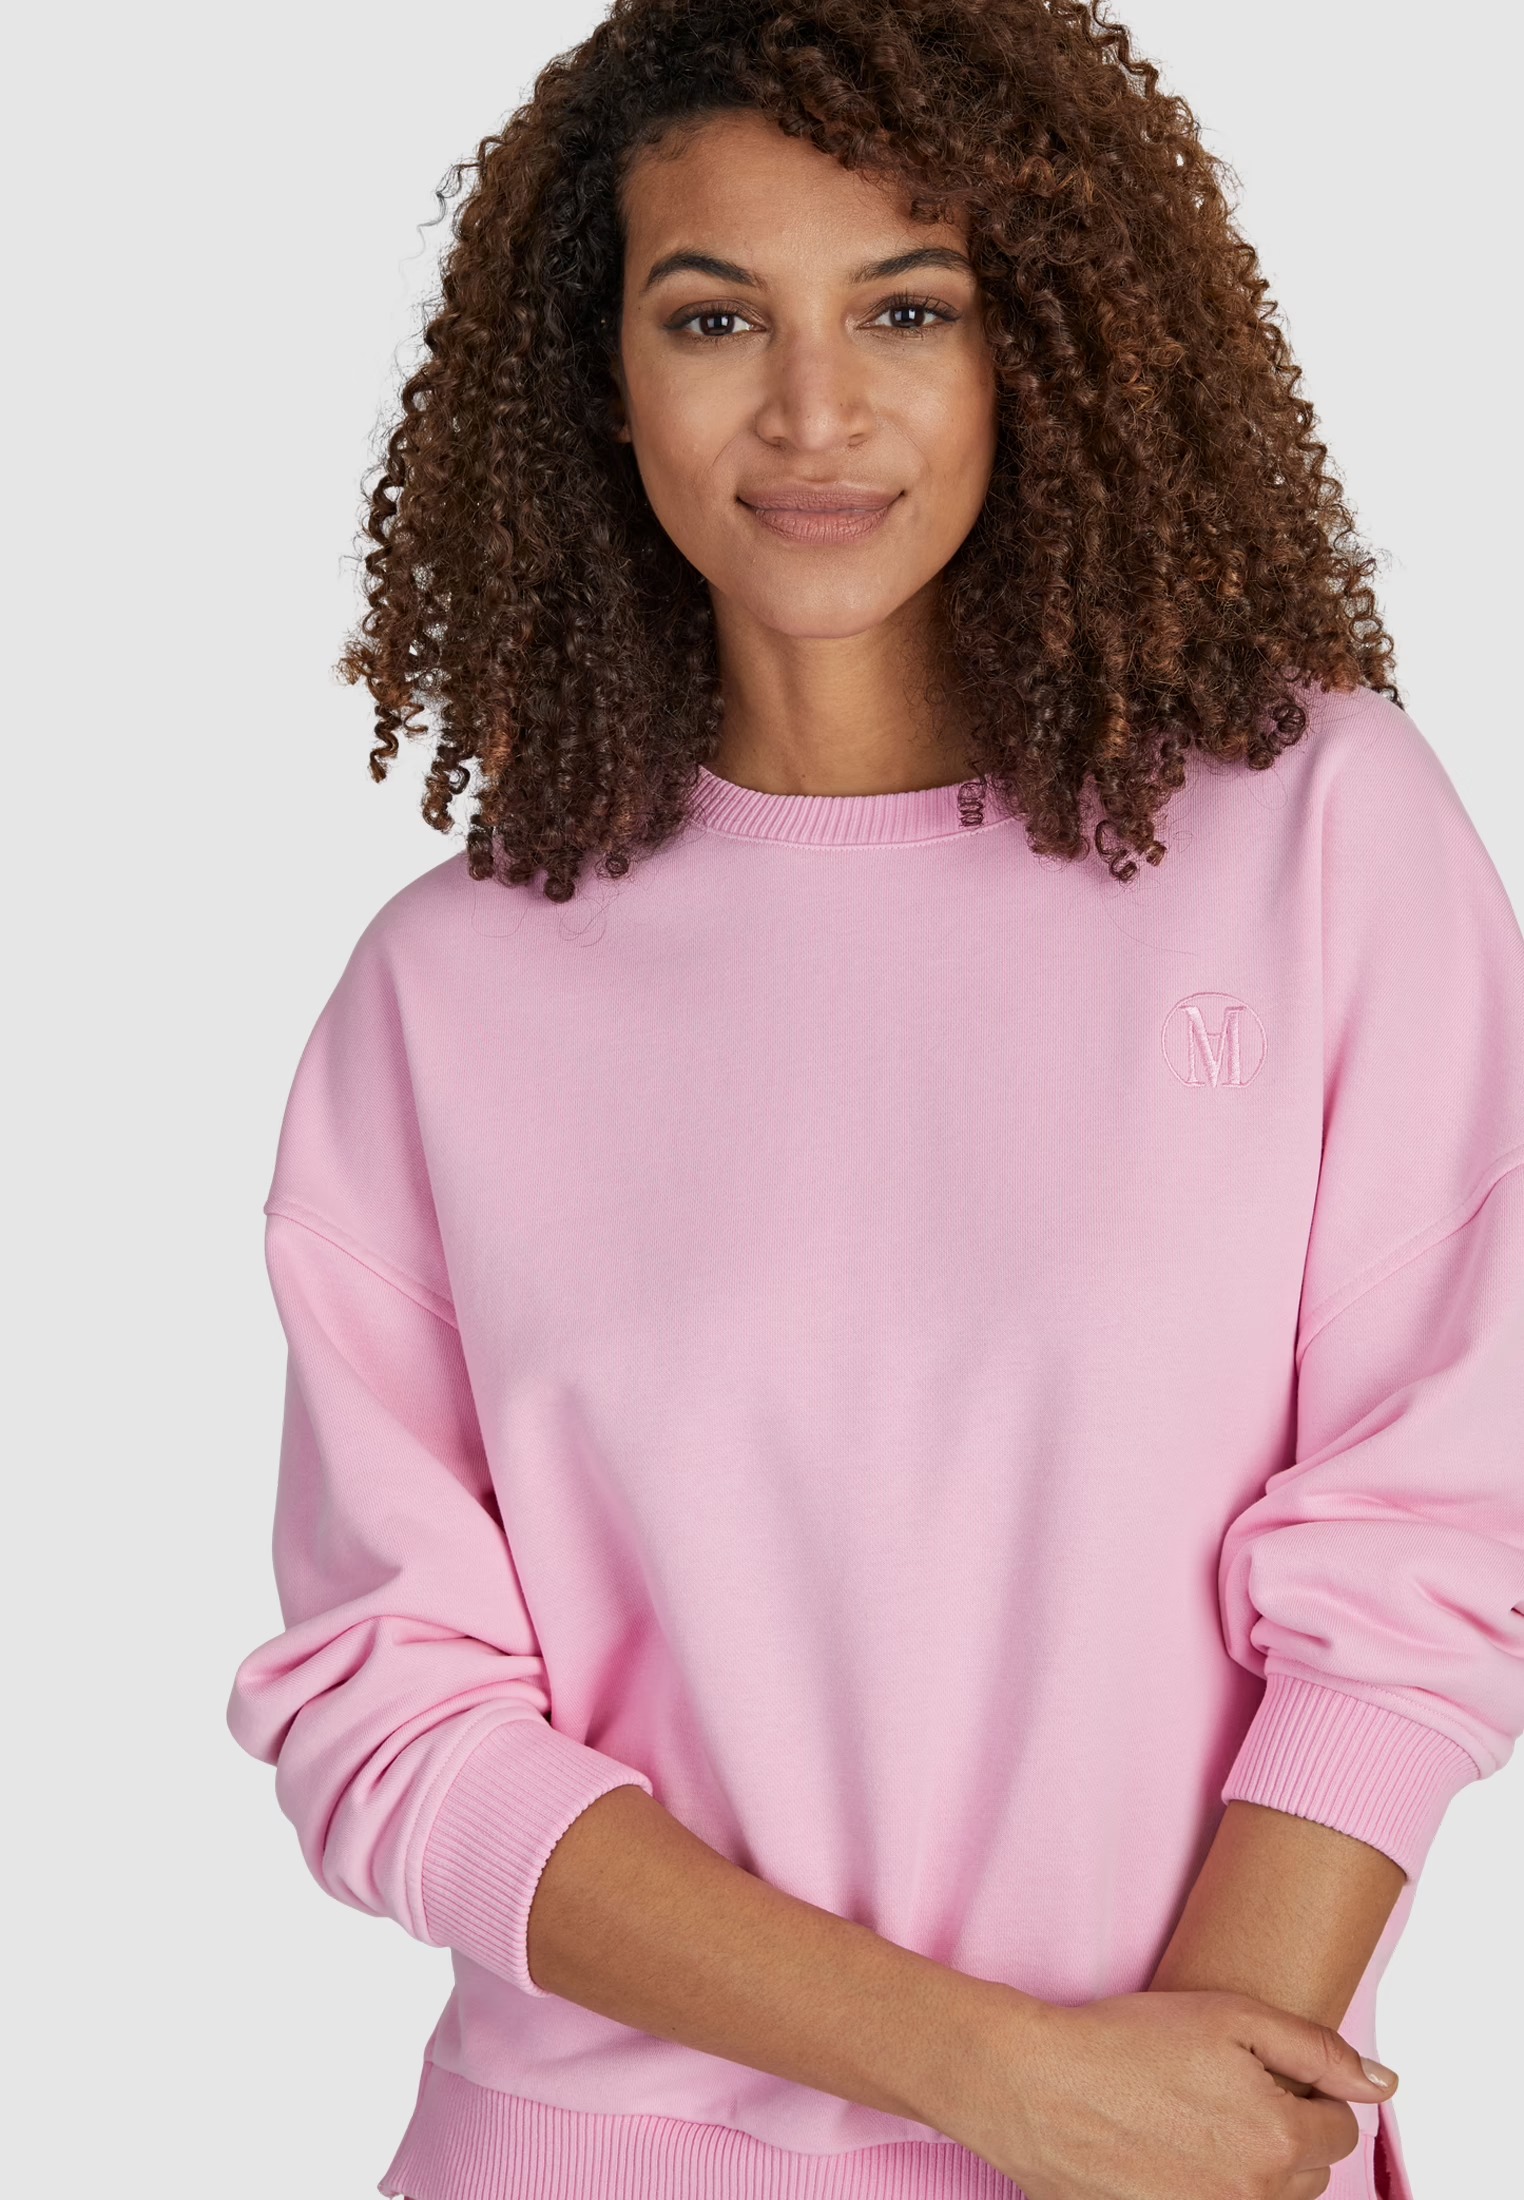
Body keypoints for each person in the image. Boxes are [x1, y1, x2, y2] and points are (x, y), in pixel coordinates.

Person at [224, 3, 1524, 2196]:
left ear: (1044, 348)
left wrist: (1197, 2129)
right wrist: (995, 2075)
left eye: (908, 307)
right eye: (713, 315)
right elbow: (393, 1715)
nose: (813, 409)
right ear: (602, 379)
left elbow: (1438, 1528)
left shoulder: (1317, 835)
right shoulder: (445, 992)